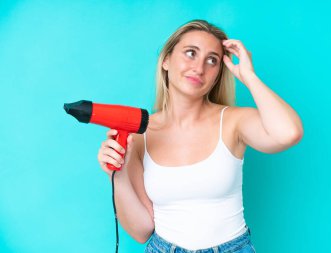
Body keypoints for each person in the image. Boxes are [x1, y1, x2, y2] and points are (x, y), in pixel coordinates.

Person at [97, 19, 303, 253]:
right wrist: (117, 173)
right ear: (166, 60)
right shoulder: (141, 134)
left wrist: (249, 77)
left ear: (218, 73)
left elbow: (289, 133)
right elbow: (141, 230)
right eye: (190, 53)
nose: (199, 67)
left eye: (212, 60)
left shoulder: (234, 121)